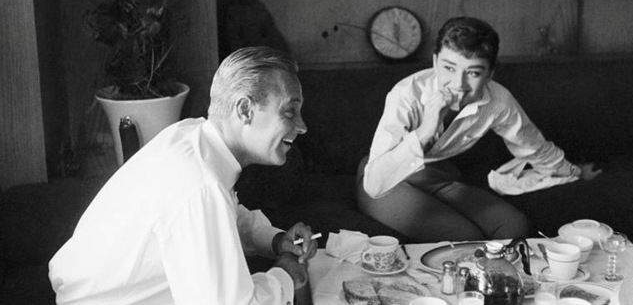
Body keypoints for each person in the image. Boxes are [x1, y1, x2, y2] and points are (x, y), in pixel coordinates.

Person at [49, 46, 317, 304]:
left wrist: (275, 240)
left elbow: (224, 215)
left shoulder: (192, 137)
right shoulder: (200, 183)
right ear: (244, 110)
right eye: (290, 111)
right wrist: (285, 274)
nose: (302, 126)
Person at [356, 17, 602, 243]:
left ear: (490, 75)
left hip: (437, 176)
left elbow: (534, 148)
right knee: (464, 238)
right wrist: (425, 131)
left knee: (513, 226)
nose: (459, 85)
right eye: (449, 68)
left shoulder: (498, 101)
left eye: (473, 72)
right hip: (386, 179)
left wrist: (575, 172)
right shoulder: (406, 94)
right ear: (435, 62)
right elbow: (375, 183)